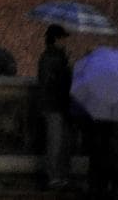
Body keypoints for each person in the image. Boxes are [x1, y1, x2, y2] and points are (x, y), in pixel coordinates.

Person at [36, 23, 72, 190]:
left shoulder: (56, 57)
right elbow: (50, 83)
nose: (65, 41)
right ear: (57, 39)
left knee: (61, 143)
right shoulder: (51, 58)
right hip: (54, 106)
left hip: (58, 106)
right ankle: (54, 177)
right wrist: (66, 69)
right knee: (55, 143)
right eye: (63, 38)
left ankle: (60, 176)